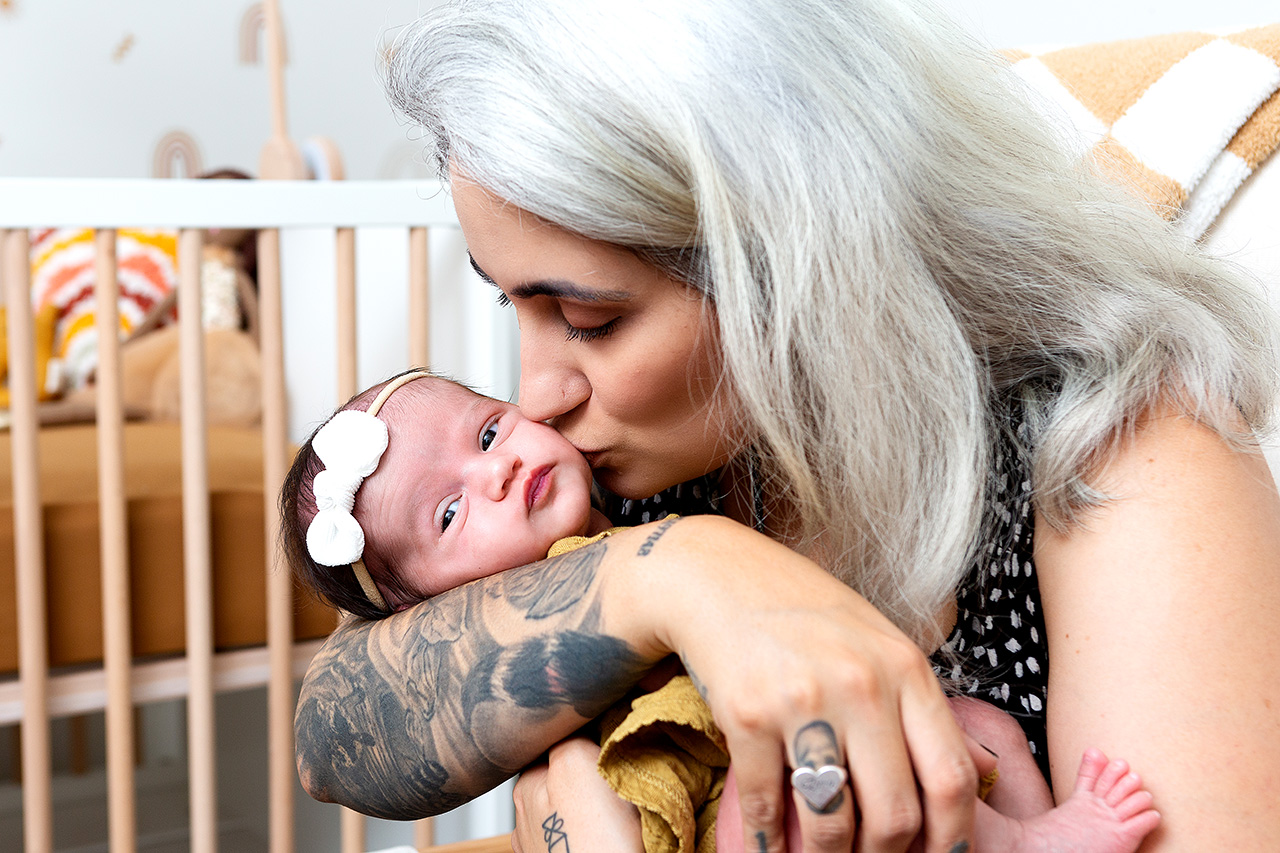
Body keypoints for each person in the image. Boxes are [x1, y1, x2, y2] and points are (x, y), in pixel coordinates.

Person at [294, 1, 1280, 850]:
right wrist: (687, 574)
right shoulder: (650, 472)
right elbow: (331, 737)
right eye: (511, 303)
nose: (534, 394)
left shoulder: (1122, 445)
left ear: (801, 264)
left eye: (588, 319)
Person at [283, 369, 1158, 853]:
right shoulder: (510, 604)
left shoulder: (624, 495)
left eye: (485, 433)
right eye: (448, 513)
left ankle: (1038, 836)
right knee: (761, 796)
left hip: (870, 751)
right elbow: (329, 734)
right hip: (705, 794)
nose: (503, 464)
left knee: (974, 720)